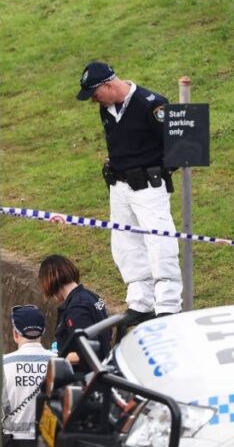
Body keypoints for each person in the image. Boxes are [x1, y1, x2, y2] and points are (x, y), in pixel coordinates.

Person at [76, 61, 181, 323]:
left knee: (159, 242)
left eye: (95, 94)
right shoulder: (107, 108)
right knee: (126, 244)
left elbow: (178, 144)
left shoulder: (151, 104)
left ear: (109, 85)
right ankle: (140, 302)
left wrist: (156, 170)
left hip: (148, 186)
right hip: (119, 186)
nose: (94, 101)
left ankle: (167, 304)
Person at [38, 254, 112, 374]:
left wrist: (61, 361)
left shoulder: (76, 308)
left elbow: (89, 350)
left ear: (50, 281)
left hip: (88, 378)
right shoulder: (92, 296)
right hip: (103, 368)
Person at [1, 305, 54, 447]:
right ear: (43, 332)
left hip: (13, 441)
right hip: (50, 441)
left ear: (15, 334)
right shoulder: (60, 362)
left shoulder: (2, 364)